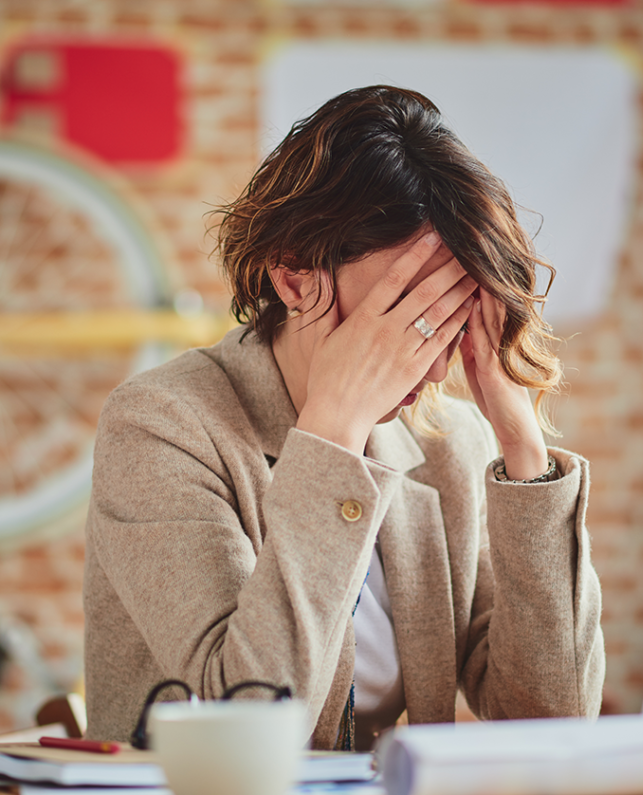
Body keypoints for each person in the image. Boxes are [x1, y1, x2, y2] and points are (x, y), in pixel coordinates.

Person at [83, 85, 604, 751]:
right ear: (296, 278)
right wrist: (331, 434)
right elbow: (250, 725)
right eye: (410, 309)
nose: (433, 363)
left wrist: (522, 444)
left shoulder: (449, 444)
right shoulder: (162, 425)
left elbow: (551, 723)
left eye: (453, 314)